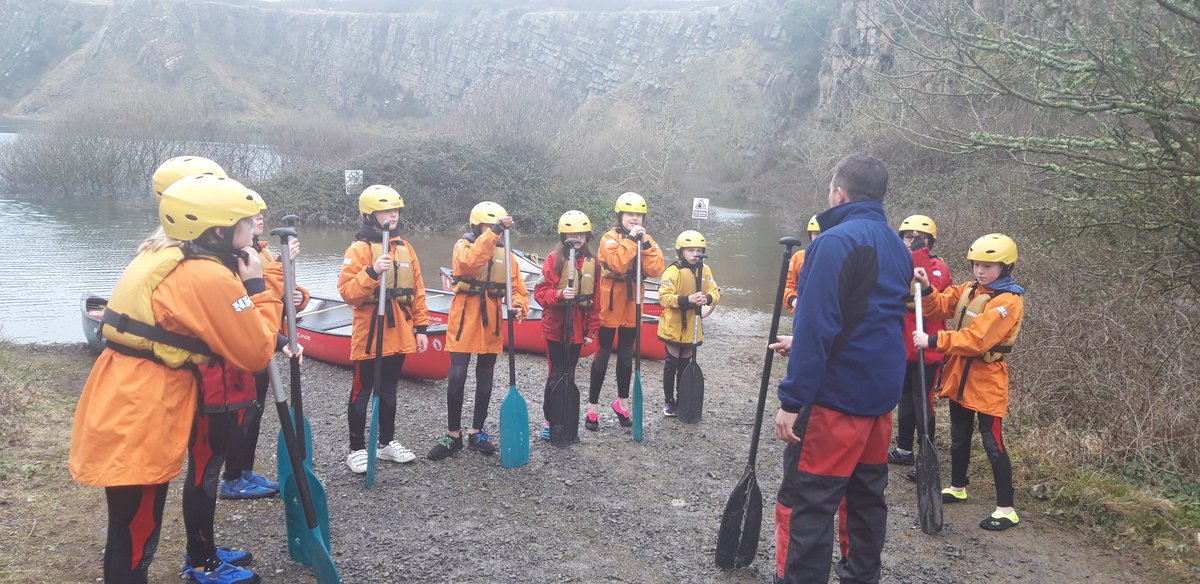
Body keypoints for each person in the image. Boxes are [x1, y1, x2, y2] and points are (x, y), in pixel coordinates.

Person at [69, 174, 283, 584]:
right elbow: (256, 350)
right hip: (143, 405)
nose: (251, 228)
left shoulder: (160, 252)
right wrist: (256, 286)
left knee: (129, 525)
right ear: (218, 231)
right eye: (243, 222)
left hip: (127, 390)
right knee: (136, 528)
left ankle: (185, 561)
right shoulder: (207, 275)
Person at [768, 154, 911, 584]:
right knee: (866, 498)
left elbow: (817, 325)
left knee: (807, 499)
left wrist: (792, 400)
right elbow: (870, 318)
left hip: (834, 401)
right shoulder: (896, 246)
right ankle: (860, 576)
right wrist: (804, 342)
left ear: (839, 192)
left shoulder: (832, 243)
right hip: (879, 402)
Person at [913, 233, 1025, 531]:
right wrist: (926, 288)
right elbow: (938, 306)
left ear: (1005, 267)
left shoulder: (1007, 302)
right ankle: (958, 486)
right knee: (959, 435)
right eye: (976, 264)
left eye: (988, 266)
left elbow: (977, 340)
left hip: (987, 379)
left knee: (992, 442)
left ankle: (1006, 508)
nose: (980, 270)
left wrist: (934, 340)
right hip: (961, 375)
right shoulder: (969, 290)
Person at [220, 190, 310, 499]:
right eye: (252, 215)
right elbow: (254, 296)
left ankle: (244, 471)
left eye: (261, 213)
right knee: (242, 413)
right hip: (249, 343)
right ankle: (231, 476)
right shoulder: (238, 258)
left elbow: (279, 293)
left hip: (267, 337)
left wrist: (300, 297)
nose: (260, 217)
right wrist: (278, 267)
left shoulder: (263, 252)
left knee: (255, 411)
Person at [338, 185, 430, 473]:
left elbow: (418, 290)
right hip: (370, 333)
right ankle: (356, 448)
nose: (393, 215)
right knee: (362, 390)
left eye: (395, 210)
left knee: (389, 390)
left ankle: (386, 443)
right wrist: (372, 271)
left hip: (399, 330)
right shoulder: (359, 249)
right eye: (386, 210)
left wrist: (422, 328)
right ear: (370, 215)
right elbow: (348, 292)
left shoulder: (405, 248)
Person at [427, 202, 529, 459]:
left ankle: (476, 432)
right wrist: (494, 232)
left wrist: (518, 307)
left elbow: (517, 290)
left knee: (485, 378)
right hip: (464, 319)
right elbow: (469, 265)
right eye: (486, 227)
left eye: (494, 229)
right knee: (457, 377)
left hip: (491, 321)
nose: (492, 234)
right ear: (477, 227)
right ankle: (453, 436)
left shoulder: (507, 256)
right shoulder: (463, 246)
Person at [588, 192, 665, 430]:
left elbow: (656, 268)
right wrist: (632, 240)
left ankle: (621, 403)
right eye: (630, 214)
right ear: (621, 215)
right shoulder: (609, 238)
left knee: (625, 358)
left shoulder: (646, 240)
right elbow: (618, 264)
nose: (635, 219)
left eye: (639, 215)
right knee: (601, 357)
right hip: (609, 307)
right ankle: (592, 408)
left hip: (632, 308)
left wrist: (646, 244)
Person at [888, 215, 953, 482]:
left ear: (930, 243)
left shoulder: (937, 267)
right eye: (908, 237)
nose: (913, 242)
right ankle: (904, 449)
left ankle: (927, 455)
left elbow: (930, 291)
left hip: (928, 348)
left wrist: (919, 256)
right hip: (904, 348)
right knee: (904, 400)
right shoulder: (894, 265)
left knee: (922, 402)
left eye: (920, 238)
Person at [533, 210, 601, 439]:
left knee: (569, 374)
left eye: (581, 234)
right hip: (556, 327)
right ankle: (550, 420)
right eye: (572, 234)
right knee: (555, 374)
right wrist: (560, 294)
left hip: (578, 328)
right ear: (563, 236)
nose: (577, 238)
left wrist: (592, 330)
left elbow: (596, 301)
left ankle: (567, 421)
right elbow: (541, 294)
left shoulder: (593, 264)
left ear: (588, 237)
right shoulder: (554, 259)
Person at [656, 230, 720, 416]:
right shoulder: (673, 271)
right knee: (672, 364)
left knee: (685, 364)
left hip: (693, 325)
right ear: (681, 251)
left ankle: (683, 398)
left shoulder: (705, 271)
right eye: (690, 250)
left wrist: (707, 298)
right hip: (674, 325)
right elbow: (664, 298)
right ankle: (669, 401)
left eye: (698, 250)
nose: (695, 254)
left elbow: (716, 292)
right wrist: (687, 299)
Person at [782, 215, 820, 312]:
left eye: (824, 234)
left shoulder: (836, 257)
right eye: (816, 234)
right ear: (810, 235)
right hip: (803, 311)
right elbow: (787, 285)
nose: (820, 237)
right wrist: (793, 300)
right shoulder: (799, 258)